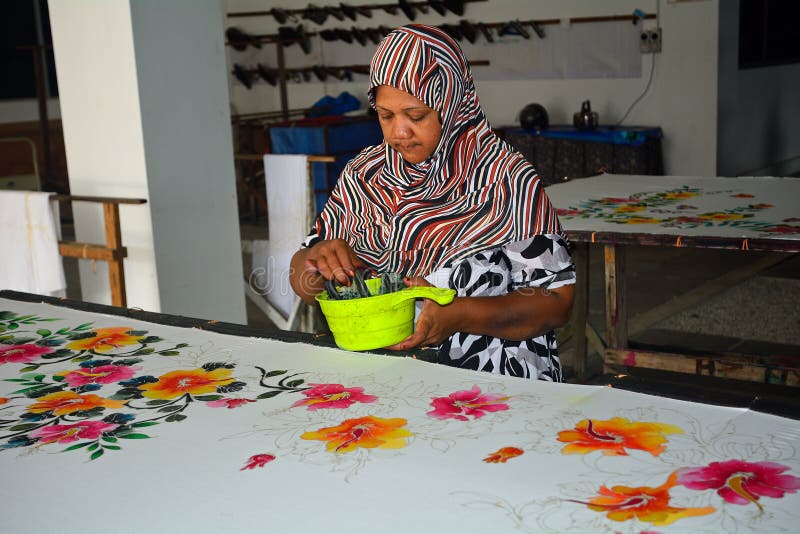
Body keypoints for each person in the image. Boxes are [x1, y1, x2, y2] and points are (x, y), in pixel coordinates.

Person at [290, 24, 575, 381]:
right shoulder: (363, 176)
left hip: (495, 387)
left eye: (417, 115)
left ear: (451, 103)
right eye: (386, 115)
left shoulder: (505, 178)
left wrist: (460, 314)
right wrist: (316, 262)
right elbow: (303, 284)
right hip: (383, 383)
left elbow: (556, 303)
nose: (399, 133)